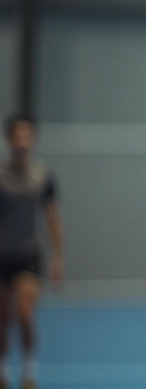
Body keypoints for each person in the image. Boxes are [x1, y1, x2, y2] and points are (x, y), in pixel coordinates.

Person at [0, 114, 63, 389]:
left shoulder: (43, 176)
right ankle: (3, 373)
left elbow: (52, 217)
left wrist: (58, 256)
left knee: (25, 314)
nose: (22, 141)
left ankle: (29, 372)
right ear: (9, 139)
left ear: (33, 139)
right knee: (2, 319)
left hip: (29, 255)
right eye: (17, 135)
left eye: (27, 135)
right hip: (2, 256)